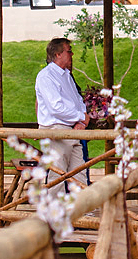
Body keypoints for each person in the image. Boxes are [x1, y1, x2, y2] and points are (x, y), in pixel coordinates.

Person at [35, 37, 88, 186]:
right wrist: (81, 117)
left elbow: (78, 101)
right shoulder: (46, 76)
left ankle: (83, 208)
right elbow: (56, 107)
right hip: (56, 130)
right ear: (58, 54)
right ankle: (55, 208)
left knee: (79, 173)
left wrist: (81, 121)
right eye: (69, 51)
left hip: (72, 129)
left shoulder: (67, 76)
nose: (72, 55)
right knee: (57, 174)